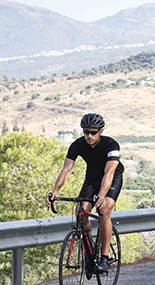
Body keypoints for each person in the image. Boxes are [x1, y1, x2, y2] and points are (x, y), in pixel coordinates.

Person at [47, 113, 123, 273]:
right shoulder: (77, 145)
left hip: (111, 179)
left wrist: (102, 196)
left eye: (93, 132)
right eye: (86, 132)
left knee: (104, 210)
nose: (89, 135)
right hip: (92, 179)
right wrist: (54, 191)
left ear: (101, 131)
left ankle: (104, 257)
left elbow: (109, 174)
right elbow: (66, 169)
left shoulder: (111, 145)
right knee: (80, 213)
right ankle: (89, 250)